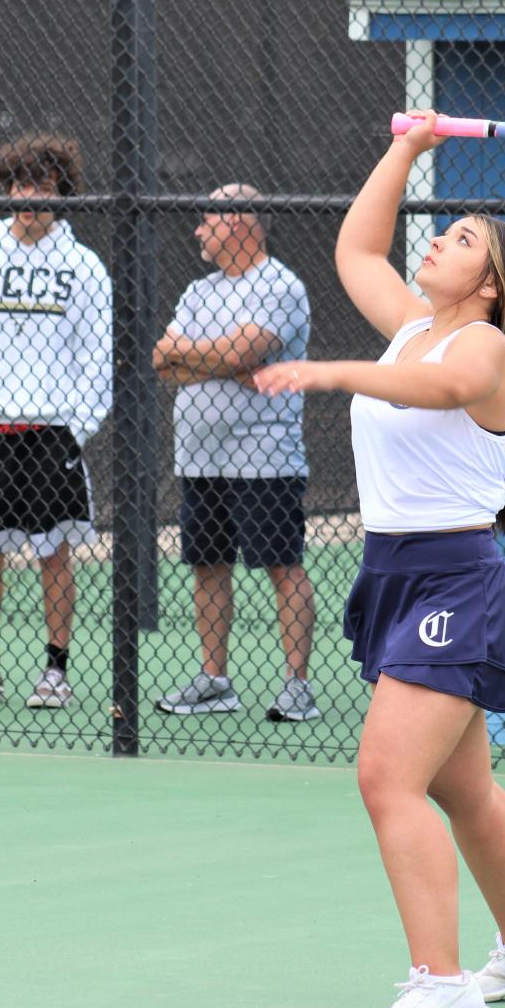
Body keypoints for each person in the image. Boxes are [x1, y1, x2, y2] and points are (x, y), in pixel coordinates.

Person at [255, 112, 505, 1008]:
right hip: (397, 571)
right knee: (460, 788)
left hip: (454, 583)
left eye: (462, 239)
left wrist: (325, 370)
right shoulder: (409, 330)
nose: (437, 238)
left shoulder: (485, 350)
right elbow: (358, 248)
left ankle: (440, 981)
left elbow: (436, 392)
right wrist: (406, 148)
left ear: (492, 285)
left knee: (387, 777)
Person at [0, 136, 112, 711]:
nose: (26, 197)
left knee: (53, 551)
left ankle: (55, 672)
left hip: (51, 435)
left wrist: (74, 432)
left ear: (61, 192)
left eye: (39, 186)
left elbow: (96, 361)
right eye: (17, 185)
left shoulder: (83, 268)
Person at [153, 183, 321, 723]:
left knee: (281, 564)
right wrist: (225, 362)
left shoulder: (281, 286)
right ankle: (214, 680)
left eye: (207, 220)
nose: (198, 230)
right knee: (207, 565)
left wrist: (205, 357)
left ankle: (297, 685)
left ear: (238, 223)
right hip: (199, 459)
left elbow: (249, 351)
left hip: (264, 457)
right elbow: (163, 360)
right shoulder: (199, 292)